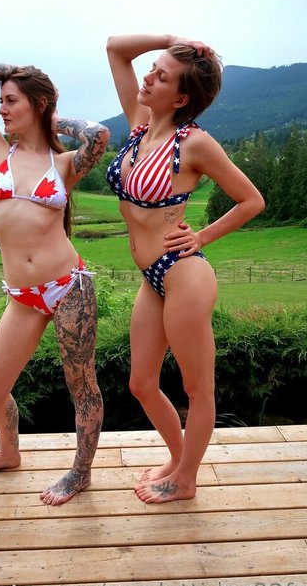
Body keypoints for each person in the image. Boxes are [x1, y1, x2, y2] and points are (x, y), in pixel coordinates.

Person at [106, 34, 265, 503]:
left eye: (161, 76)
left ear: (180, 99)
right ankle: (178, 461)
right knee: (141, 383)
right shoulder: (140, 124)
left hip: (184, 275)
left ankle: (187, 479)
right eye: (153, 68)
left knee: (197, 388)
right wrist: (173, 41)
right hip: (151, 278)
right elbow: (116, 49)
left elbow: (251, 200)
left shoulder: (195, 143)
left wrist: (202, 237)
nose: (148, 77)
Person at [0, 58, 110, 505]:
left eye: (11, 101)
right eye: (0, 100)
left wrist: (49, 116)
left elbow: (99, 134)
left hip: (68, 287)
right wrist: (20, 70)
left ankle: (80, 474)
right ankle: (9, 452)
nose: (1, 109)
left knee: (81, 385)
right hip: (22, 295)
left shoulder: (63, 164)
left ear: (38, 105)